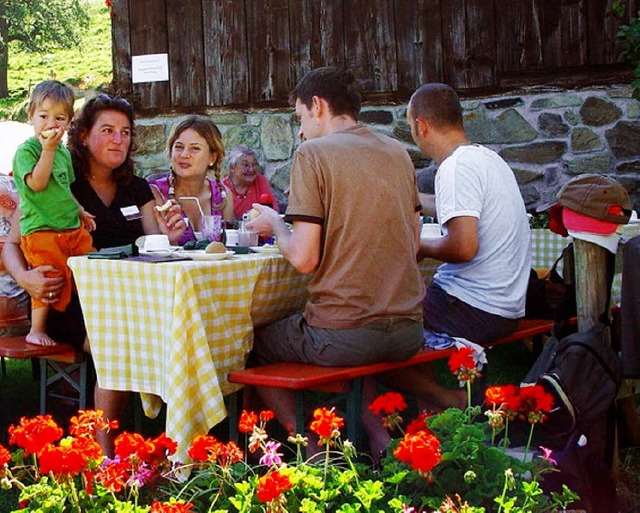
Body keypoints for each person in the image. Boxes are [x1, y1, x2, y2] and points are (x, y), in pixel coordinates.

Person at [246, 67, 425, 460]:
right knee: (356, 346)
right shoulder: (397, 151)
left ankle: (312, 451)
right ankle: (383, 443)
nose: (300, 131)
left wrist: (276, 222)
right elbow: (412, 244)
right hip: (409, 329)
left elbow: (305, 260)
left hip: (345, 337)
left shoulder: (314, 153)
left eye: (300, 118)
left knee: (249, 342)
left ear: (318, 106)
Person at [2, 93, 186, 455]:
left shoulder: (137, 187)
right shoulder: (55, 174)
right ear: (83, 135)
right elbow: (10, 243)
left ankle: (173, 442)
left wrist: (171, 238)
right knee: (115, 344)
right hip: (69, 299)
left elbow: (156, 242)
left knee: (172, 333)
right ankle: (104, 455)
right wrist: (26, 279)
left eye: (126, 132)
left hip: (132, 298)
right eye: (108, 130)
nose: (119, 139)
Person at [389, 83, 531, 410]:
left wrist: (420, 245)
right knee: (407, 305)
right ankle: (431, 407)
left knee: (374, 329)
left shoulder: (454, 168)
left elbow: (463, 247)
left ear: (420, 125)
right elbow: (451, 206)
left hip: (475, 308)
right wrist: (405, 199)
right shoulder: (486, 159)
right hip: (505, 304)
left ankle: (447, 400)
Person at [12, 80, 97, 347]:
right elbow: (37, 183)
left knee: (90, 265)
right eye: (44, 116)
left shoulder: (63, 154)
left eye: (59, 118)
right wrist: (47, 150)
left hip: (70, 227)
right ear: (31, 117)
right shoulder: (27, 151)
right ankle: (37, 328)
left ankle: (90, 315)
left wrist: (80, 210)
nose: (51, 124)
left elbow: (64, 189)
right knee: (49, 276)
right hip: (41, 230)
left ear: (69, 122)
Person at [148, 116, 234, 243]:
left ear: (212, 158)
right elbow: (151, 251)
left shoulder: (223, 196)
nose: (184, 155)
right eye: (179, 147)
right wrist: (170, 241)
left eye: (195, 148)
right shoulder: (155, 193)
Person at [222, 144, 279, 222]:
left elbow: (274, 210)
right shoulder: (222, 188)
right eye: (245, 165)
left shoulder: (260, 180)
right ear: (232, 168)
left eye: (254, 164)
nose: (251, 169)